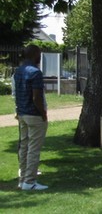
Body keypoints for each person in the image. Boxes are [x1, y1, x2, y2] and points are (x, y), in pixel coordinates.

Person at [14, 44, 48, 190]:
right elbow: (37, 97)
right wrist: (43, 113)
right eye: (39, 53)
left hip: (22, 114)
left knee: (24, 147)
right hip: (34, 115)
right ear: (35, 55)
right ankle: (29, 182)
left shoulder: (18, 71)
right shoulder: (36, 72)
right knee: (33, 149)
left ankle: (22, 180)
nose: (40, 56)